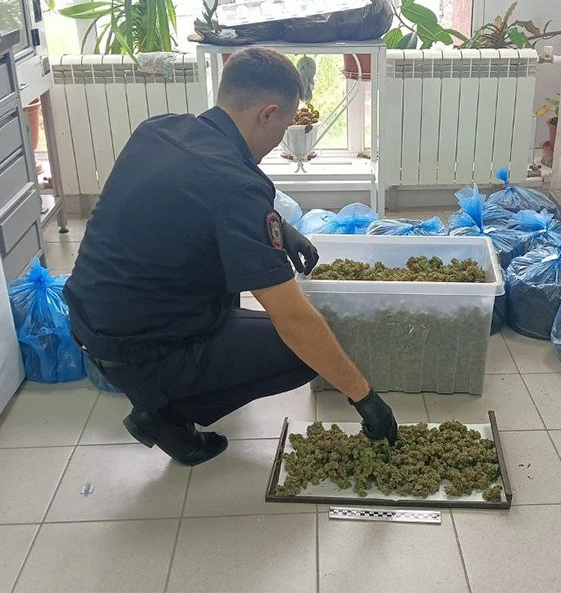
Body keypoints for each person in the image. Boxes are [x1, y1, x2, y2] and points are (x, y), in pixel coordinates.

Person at [64, 48, 397, 466]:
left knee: (228, 267)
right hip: (138, 349)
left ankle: (169, 389)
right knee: (305, 351)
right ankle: (165, 415)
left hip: (91, 323)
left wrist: (279, 229)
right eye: (284, 126)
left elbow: (188, 204)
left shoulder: (160, 129)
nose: (279, 140)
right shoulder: (237, 188)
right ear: (268, 114)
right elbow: (294, 321)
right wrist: (364, 397)